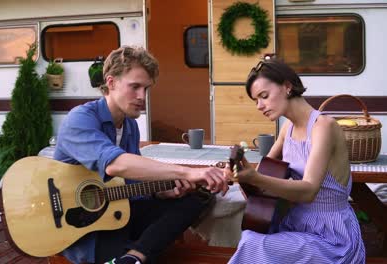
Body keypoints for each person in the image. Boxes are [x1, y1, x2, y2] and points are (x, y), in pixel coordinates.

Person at [54, 45, 229, 264]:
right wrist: (187, 172)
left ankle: (134, 257)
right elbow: (115, 165)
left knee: (198, 197)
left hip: (117, 212)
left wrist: (160, 192)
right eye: (135, 87)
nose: (142, 96)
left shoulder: (129, 126)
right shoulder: (81, 118)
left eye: (146, 88)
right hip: (82, 225)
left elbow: (129, 180)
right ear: (111, 82)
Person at [225, 58, 365, 263]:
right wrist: (236, 172)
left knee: (253, 243)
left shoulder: (323, 126)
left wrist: (254, 177)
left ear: (287, 87)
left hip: (330, 236)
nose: (259, 106)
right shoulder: (286, 129)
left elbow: (308, 191)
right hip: (295, 224)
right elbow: (262, 176)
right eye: (256, 100)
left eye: (264, 96)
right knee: (252, 238)